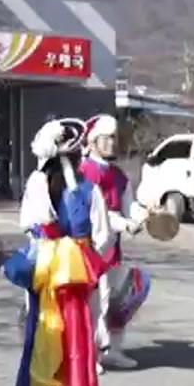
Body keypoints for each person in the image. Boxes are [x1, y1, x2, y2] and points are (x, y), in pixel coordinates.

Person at [4, 118, 111, 386]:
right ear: (77, 156)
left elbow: (28, 226)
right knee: (77, 335)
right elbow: (102, 237)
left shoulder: (36, 185)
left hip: (45, 267)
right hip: (76, 271)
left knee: (42, 330)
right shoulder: (90, 191)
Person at [78, 114, 149, 369]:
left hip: (114, 248)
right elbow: (98, 214)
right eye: (106, 138)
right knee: (98, 302)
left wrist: (145, 215)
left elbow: (129, 205)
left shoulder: (118, 175)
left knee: (119, 301)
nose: (111, 143)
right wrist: (124, 223)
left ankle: (113, 349)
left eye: (113, 138)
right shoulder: (85, 171)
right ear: (93, 141)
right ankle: (91, 354)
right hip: (92, 248)